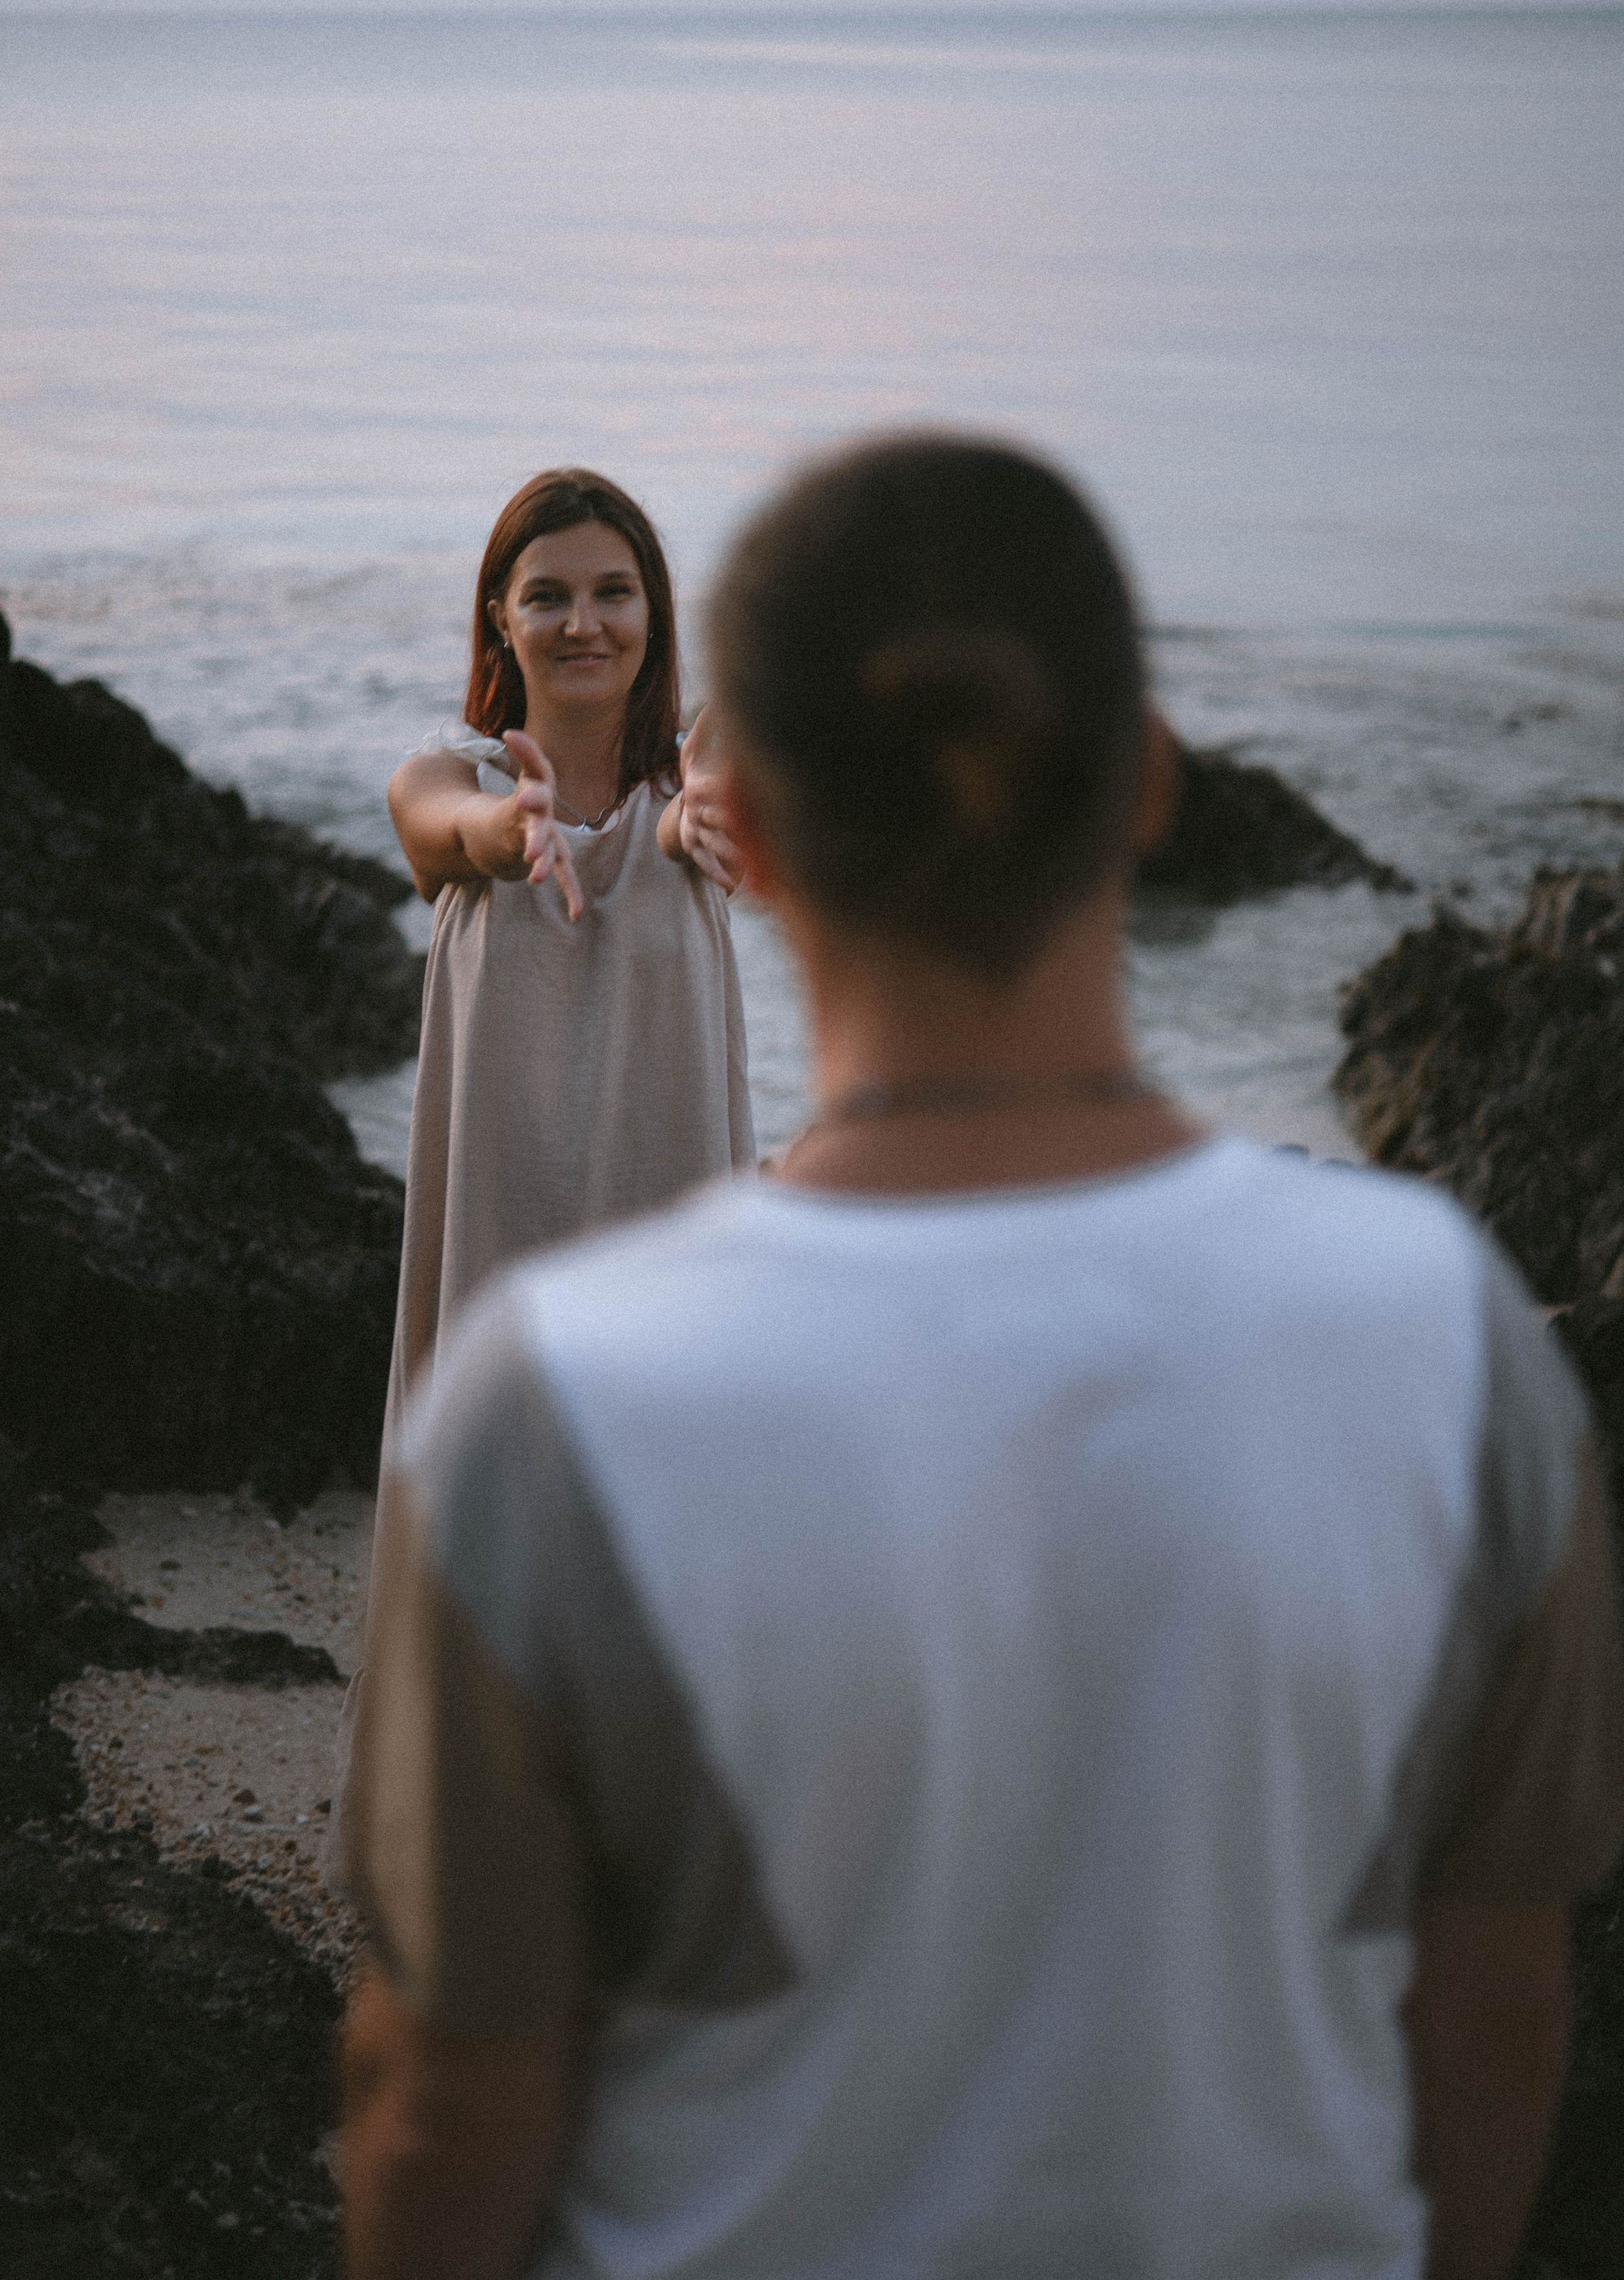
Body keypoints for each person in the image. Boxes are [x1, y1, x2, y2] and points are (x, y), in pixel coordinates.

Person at [336, 434, 1623, 2280]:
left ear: (755, 832)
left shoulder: (545, 1410)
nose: (584, 620)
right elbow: (1491, 2033)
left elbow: (450, 2110)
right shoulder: (1454, 1342)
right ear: (1152, 783)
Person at [327, 467, 754, 1878]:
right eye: (550, 595)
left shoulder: (696, 785)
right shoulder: (446, 777)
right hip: (503, 1207)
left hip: (664, 1209)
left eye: (614, 592)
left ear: (653, 613)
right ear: (499, 620)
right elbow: (440, 830)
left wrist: (695, 823)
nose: (585, 621)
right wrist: (514, 836)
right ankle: (469, 1852)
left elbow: (703, 817)